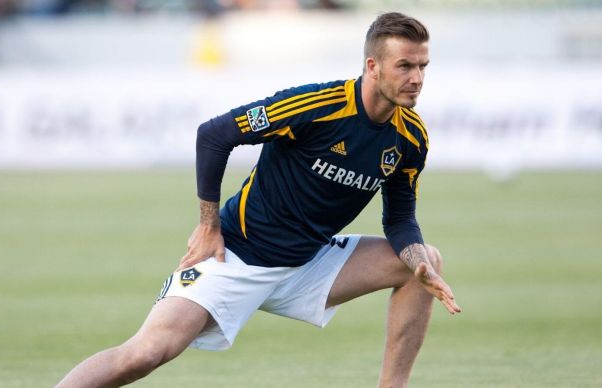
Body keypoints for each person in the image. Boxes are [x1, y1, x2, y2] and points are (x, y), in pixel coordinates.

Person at [56, 11, 461, 388]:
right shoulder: (317, 106)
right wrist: (208, 225)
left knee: (425, 260)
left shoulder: (411, 138)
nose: (417, 77)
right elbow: (215, 135)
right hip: (235, 256)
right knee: (145, 354)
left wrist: (416, 262)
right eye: (405, 66)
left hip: (309, 262)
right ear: (373, 67)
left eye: (423, 66)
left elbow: (400, 220)